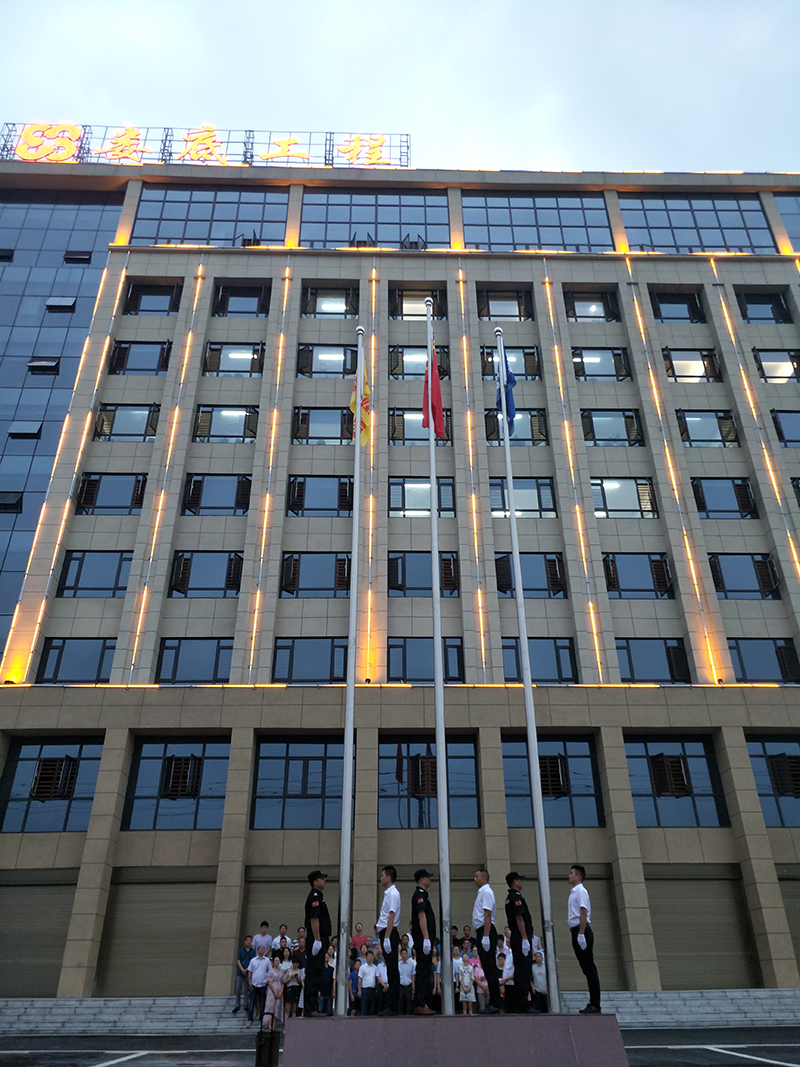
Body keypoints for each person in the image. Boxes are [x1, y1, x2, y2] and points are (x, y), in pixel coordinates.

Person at [568, 864, 601, 1014]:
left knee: (589, 968)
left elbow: (583, 912)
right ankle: (593, 1002)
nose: (569, 876)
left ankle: (595, 1003)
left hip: (581, 931)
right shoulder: (574, 892)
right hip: (576, 931)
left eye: (571, 873)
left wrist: (581, 933)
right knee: (586, 968)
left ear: (578, 876)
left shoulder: (581, 891)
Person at [505, 871, 534, 1015]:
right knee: (524, 971)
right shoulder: (515, 897)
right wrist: (525, 939)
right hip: (520, 937)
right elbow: (519, 918)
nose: (521, 882)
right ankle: (524, 1004)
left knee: (520, 971)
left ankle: (520, 1003)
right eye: (519, 880)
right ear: (515, 882)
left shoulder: (509, 898)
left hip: (517, 937)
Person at [304, 868, 332, 1017]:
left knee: (318, 972)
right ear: (315, 882)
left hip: (321, 938)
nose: (324, 881)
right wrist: (317, 939)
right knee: (313, 973)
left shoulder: (319, 896)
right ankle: (310, 1008)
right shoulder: (314, 897)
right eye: (322, 878)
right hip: (317, 938)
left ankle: (313, 1007)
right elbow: (314, 919)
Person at [473, 867, 501, 1014]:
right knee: (487, 967)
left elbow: (487, 914)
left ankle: (495, 1002)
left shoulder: (486, 892)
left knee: (490, 968)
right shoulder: (481, 892)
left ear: (484, 878)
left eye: (477, 876)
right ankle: (493, 1001)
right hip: (482, 930)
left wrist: (486, 935)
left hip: (486, 930)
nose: (475, 879)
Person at [410, 867, 436, 1016]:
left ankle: (422, 1002)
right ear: (421, 879)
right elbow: (421, 916)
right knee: (423, 971)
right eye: (427, 877)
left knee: (425, 971)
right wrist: (426, 938)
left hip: (425, 938)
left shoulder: (424, 895)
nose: (429, 880)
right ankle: (420, 1003)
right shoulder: (419, 895)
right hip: (422, 939)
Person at [376, 865, 401, 1016]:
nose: (381, 878)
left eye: (382, 875)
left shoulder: (393, 894)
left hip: (389, 933)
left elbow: (391, 916)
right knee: (390, 968)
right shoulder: (388, 893)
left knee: (392, 969)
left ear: (389, 877)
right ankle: (391, 1005)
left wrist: (386, 937)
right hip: (386, 932)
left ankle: (393, 1005)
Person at [247, 943, 271, 1024]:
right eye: (260, 948)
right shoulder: (253, 960)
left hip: (263, 984)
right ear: (257, 950)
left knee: (262, 1002)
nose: (262, 950)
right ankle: (250, 1018)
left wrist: (267, 981)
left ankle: (261, 1017)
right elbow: (249, 971)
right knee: (252, 1001)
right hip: (254, 984)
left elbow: (270, 971)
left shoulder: (267, 960)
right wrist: (249, 982)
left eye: (263, 949)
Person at [232, 934, 255, 1014]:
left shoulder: (253, 952)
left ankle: (246, 1005)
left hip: (248, 973)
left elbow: (253, 962)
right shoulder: (241, 951)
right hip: (240, 972)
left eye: (250, 940)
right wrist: (242, 969)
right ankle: (237, 1005)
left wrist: (247, 969)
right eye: (247, 940)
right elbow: (238, 961)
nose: (248, 942)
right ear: (245, 941)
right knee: (238, 989)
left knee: (247, 990)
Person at [263, 953, 285, 1030]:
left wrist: (281, 992)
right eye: (276, 961)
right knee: (271, 1006)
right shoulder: (270, 971)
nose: (277, 962)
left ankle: (273, 1025)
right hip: (272, 990)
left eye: (278, 961)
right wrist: (275, 992)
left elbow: (282, 982)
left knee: (277, 1007)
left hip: (279, 989)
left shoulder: (281, 972)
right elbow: (269, 982)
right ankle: (269, 1025)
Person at [359, 949, 378, 1015]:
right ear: (366, 957)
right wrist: (359, 990)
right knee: (364, 1007)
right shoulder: (362, 967)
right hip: (365, 989)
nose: (370, 958)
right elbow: (360, 979)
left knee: (371, 1007)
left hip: (372, 989)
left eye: (371, 956)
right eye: (369, 956)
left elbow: (376, 978)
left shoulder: (375, 968)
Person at [317, 946, 336, 1016]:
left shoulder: (331, 969)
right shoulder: (320, 969)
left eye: (327, 957)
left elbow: (333, 980)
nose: (326, 958)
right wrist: (318, 990)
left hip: (329, 991)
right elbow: (318, 980)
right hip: (321, 991)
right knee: (320, 1009)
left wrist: (333, 990)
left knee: (328, 1010)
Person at [398, 947, 415, 1015]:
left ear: (407, 954)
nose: (404, 955)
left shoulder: (411, 964)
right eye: (403, 953)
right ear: (401, 954)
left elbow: (413, 976)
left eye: (405, 953)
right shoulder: (398, 964)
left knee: (408, 1003)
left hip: (408, 985)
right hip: (401, 986)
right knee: (400, 1002)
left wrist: (413, 988)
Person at [458, 951, 475, 1015]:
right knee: (464, 1006)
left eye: (466, 956)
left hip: (470, 987)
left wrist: (469, 987)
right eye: (464, 956)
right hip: (463, 987)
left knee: (470, 1006)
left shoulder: (471, 967)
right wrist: (463, 987)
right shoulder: (460, 967)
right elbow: (460, 978)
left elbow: (472, 978)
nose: (465, 957)